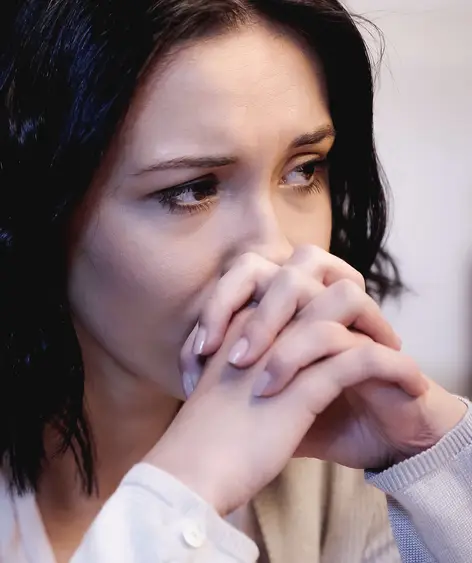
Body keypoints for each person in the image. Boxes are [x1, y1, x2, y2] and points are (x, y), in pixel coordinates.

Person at [1, 1, 471, 562]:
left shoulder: (336, 461)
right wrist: (184, 491)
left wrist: (433, 458)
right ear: (37, 210)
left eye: (303, 170)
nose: (275, 255)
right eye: (193, 188)